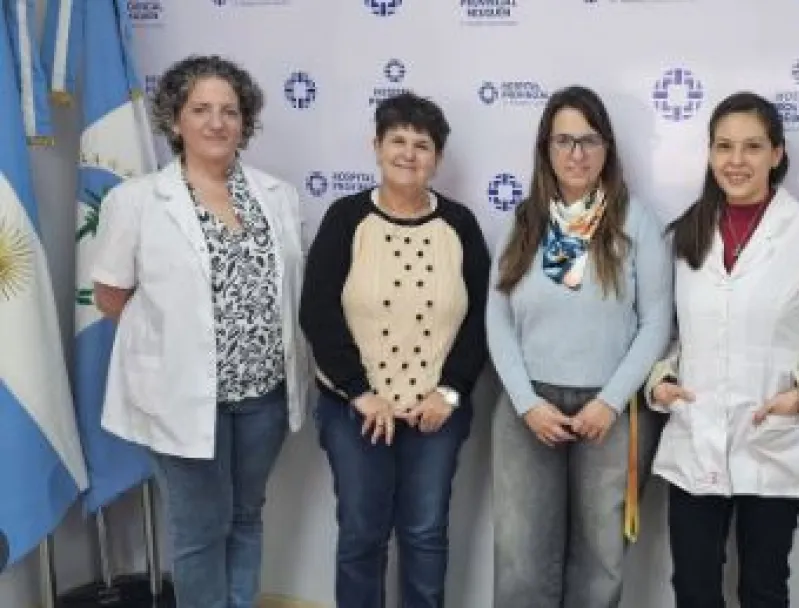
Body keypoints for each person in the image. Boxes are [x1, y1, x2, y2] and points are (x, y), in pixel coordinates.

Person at [91, 55, 310, 608]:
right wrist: (178, 343)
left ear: (245, 122)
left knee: (246, 516)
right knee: (199, 530)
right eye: (201, 109)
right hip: (182, 398)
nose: (217, 122)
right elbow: (111, 296)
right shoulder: (136, 201)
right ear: (175, 119)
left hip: (263, 397)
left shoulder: (278, 196)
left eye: (230, 111)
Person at [646, 91, 799, 608]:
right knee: (693, 590)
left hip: (772, 437)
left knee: (764, 590)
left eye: (752, 146)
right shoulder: (686, 234)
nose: (736, 160)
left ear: (777, 153)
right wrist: (661, 381)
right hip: (696, 433)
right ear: (710, 154)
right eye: (724, 146)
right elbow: (673, 333)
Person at [300, 92, 490, 608]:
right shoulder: (346, 217)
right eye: (397, 141)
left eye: (422, 145)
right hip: (356, 412)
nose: (409, 153)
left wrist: (449, 393)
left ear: (437, 158)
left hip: (435, 414)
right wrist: (360, 393)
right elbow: (317, 312)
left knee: (426, 535)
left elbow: (481, 319)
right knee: (362, 535)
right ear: (377, 147)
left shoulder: (460, 224)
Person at [486, 85, 672, 608]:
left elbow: (657, 322)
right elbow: (497, 317)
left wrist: (610, 401)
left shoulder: (637, 222)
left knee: (600, 558)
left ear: (607, 147)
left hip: (610, 411)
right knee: (521, 556)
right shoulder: (524, 221)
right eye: (563, 140)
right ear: (545, 148)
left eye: (589, 140)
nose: (576, 154)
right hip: (529, 407)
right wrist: (526, 402)